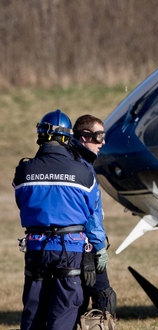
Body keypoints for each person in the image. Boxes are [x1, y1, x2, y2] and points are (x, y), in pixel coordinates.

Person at [13, 110, 107, 330]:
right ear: (67, 137)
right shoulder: (84, 172)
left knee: (33, 309)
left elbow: (21, 202)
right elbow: (91, 214)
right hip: (70, 249)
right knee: (64, 310)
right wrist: (100, 247)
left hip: (35, 247)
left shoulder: (24, 170)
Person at [72, 115, 117, 321]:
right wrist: (99, 246)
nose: (103, 142)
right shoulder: (82, 166)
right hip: (84, 245)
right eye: (99, 137)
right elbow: (90, 213)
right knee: (103, 299)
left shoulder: (73, 161)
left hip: (66, 246)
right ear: (84, 137)